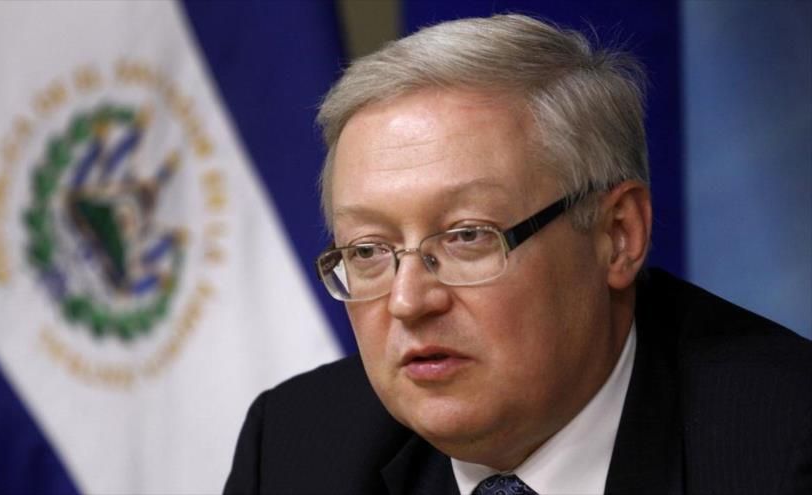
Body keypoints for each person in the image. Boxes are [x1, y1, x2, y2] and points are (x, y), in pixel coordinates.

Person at [224, 14, 812, 495]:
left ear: (618, 234)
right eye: (369, 249)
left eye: (466, 236)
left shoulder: (786, 446)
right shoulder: (297, 448)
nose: (408, 302)